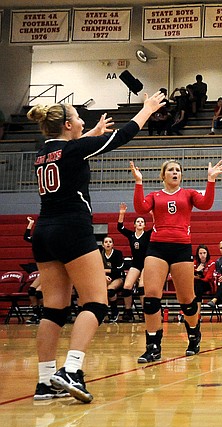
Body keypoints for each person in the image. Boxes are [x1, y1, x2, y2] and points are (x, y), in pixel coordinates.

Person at [27, 90, 165, 402]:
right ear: (66, 125)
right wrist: (146, 109)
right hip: (71, 229)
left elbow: (68, 150)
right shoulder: (75, 150)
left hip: (44, 231)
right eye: (77, 117)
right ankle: (72, 369)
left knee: (53, 309)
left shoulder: (42, 153)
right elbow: (124, 135)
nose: (81, 120)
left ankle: (45, 381)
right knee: (96, 303)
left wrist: (89, 134)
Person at [131, 158, 222, 363]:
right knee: (150, 298)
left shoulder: (189, 194)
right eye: (171, 170)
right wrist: (139, 183)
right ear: (163, 175)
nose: (175, 173)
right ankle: (153, 345)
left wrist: (210, 181)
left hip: (181, 247)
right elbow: (140, 208)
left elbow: (206, 204)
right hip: (157, 247)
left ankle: (194, 335)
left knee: (187, 301)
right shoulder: (155, 196)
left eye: (178, 170)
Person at [116, 202, 152, 323]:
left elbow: (157, 226)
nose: (140, 223)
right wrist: (122, 214)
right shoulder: (131, 235)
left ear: (145, 225)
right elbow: (119, 227)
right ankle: (128, 312)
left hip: (146, 264)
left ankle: (145, 312)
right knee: (126, 287)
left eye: (142, 222)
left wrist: (153, 214)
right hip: (136, 263)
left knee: (142, 287)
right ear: (135, 224)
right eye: (138, 221)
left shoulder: (147, 235)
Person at [22, 217, 43, 324]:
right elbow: (26, 237)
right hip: (43, 272)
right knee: (31, 291)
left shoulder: (51, 240)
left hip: (52, 271)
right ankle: (36, 314)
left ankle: (46, 314)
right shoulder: (37, 240)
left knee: (40, 292)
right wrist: (31, 223)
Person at [99, 236, 124, 322]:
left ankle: (115, 311)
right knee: (100, 291)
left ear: (113, 244)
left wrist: (105, 270)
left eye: (110, 242)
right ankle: (101, 312)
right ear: (103, 245)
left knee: (110, 290)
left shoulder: (118, 253)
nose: (108, 243)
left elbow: (118, 270)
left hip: (117, 278)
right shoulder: (99, 254)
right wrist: (104, 275)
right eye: (106, 242)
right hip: (104, 277)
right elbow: (96, 269)